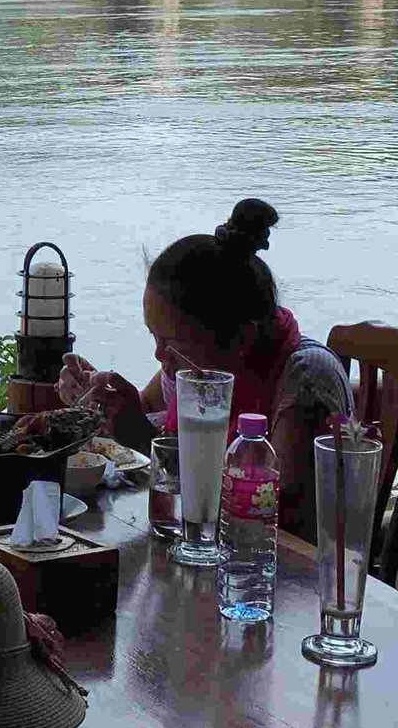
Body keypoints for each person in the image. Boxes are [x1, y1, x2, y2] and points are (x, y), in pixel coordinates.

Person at [59, 198, 351, 538]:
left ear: (242, 338)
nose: (160, 356)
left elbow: (273, 512)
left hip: (281, 574)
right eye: (154, 337)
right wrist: (97, 400)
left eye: (172, 344)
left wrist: (142, 438)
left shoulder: (305, 380)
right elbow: (147, 408)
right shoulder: (195, 369)